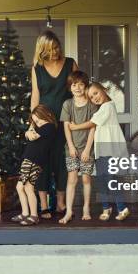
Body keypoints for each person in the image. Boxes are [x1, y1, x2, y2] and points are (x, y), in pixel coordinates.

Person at [30, 30, 78, 219]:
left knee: (62, 162)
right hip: (44, 122)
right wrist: (33, 123)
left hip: (66, 121)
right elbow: (35, 96)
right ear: (42, 50)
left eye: (57, 47)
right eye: (51, 49)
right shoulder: (37, 68)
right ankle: (43, 204)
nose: (56, 52)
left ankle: (60, 203)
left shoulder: (70, 63)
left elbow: (78, 90)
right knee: (43, 162)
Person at [68, 82, 130, 221]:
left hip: (109, 150)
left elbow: (92, 123)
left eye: (96, 93)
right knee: (101, 180)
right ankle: (106, 207)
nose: (94, 98)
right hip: (101, 151)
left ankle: (122, 207)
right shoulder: (102, 107)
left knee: (110, 179)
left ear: (104, 89)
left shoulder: (108, 106)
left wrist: (75, 127)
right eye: (91, 97)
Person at [59, 71, 97, 224]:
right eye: (74, 85)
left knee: (86, 179)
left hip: (87, 148)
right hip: (72, 149)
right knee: (72, 179)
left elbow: (93, 127)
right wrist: (71, 146)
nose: (78, 88)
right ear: (70, 87)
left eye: (81, 84)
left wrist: (87, 149)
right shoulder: (67, 104)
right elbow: (66, 127)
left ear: (85, 86)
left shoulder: (91, 105)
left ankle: (86, 208)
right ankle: (68, 211)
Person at [11, 104, 58, 226]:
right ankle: (25, 213)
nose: (38, 122)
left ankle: (33, 215)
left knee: (28, 187)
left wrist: (30, 130)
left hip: (34, 161)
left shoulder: (49, 127)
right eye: (35, 120)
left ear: (47, 115)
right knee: (20, 187)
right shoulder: (39, 127)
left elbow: (30, 137)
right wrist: (30, 129)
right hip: (28, 160)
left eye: (40, 119)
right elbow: (27, 134)